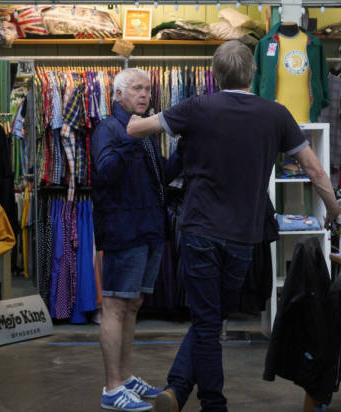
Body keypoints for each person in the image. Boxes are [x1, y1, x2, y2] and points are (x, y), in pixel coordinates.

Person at [126, 40, 341, 412]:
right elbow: (315, 170)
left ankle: (210, 403)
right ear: (253, 74)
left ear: (213, 74)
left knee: (207, 323)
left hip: (198, 232)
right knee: (212, 320)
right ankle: (178, 391)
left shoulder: (197, 107)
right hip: (242, 238)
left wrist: (130, 119)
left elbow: (138, 130)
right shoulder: (276, 114)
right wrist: (333, 209)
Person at [91, 68, 181, 412]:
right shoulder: (108, 129)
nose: (145, 95)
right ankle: (112, 388)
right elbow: (106, 174)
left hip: (149, 230)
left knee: (133, 305)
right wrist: (132, 135)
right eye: (137, 89)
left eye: (147, 89)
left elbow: (160, 175)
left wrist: (181, 152)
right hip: (123, 232)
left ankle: (125, 379)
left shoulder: (143, 131)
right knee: (115, 306)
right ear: (118, 95)